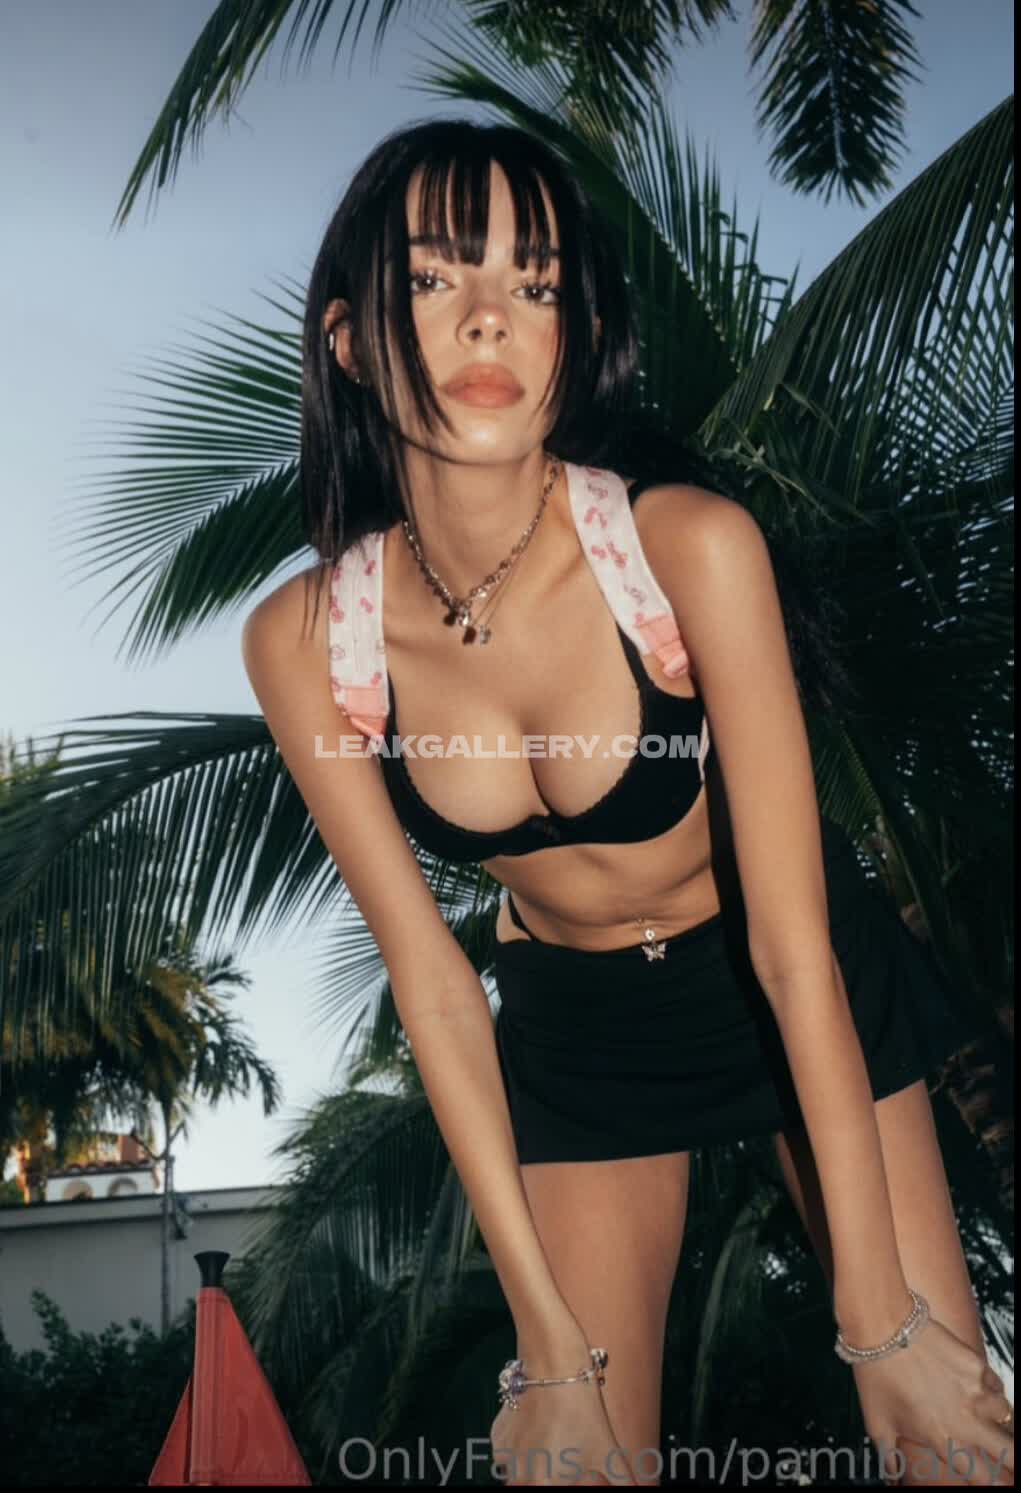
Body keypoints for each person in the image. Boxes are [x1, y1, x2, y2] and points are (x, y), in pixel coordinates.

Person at [241, 118, 1014, 1488]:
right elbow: (433, 986)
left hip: (789, 976)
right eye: (435, 278)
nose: (490, 316)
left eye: (535, 283)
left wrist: (877, 1318)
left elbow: (793, 947)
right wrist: (546, 1344)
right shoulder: (308, 639)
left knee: (945, 1444)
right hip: (580, 1025)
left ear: (579, 329)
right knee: (575, 1461)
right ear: (349, 340)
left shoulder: (684, 548)